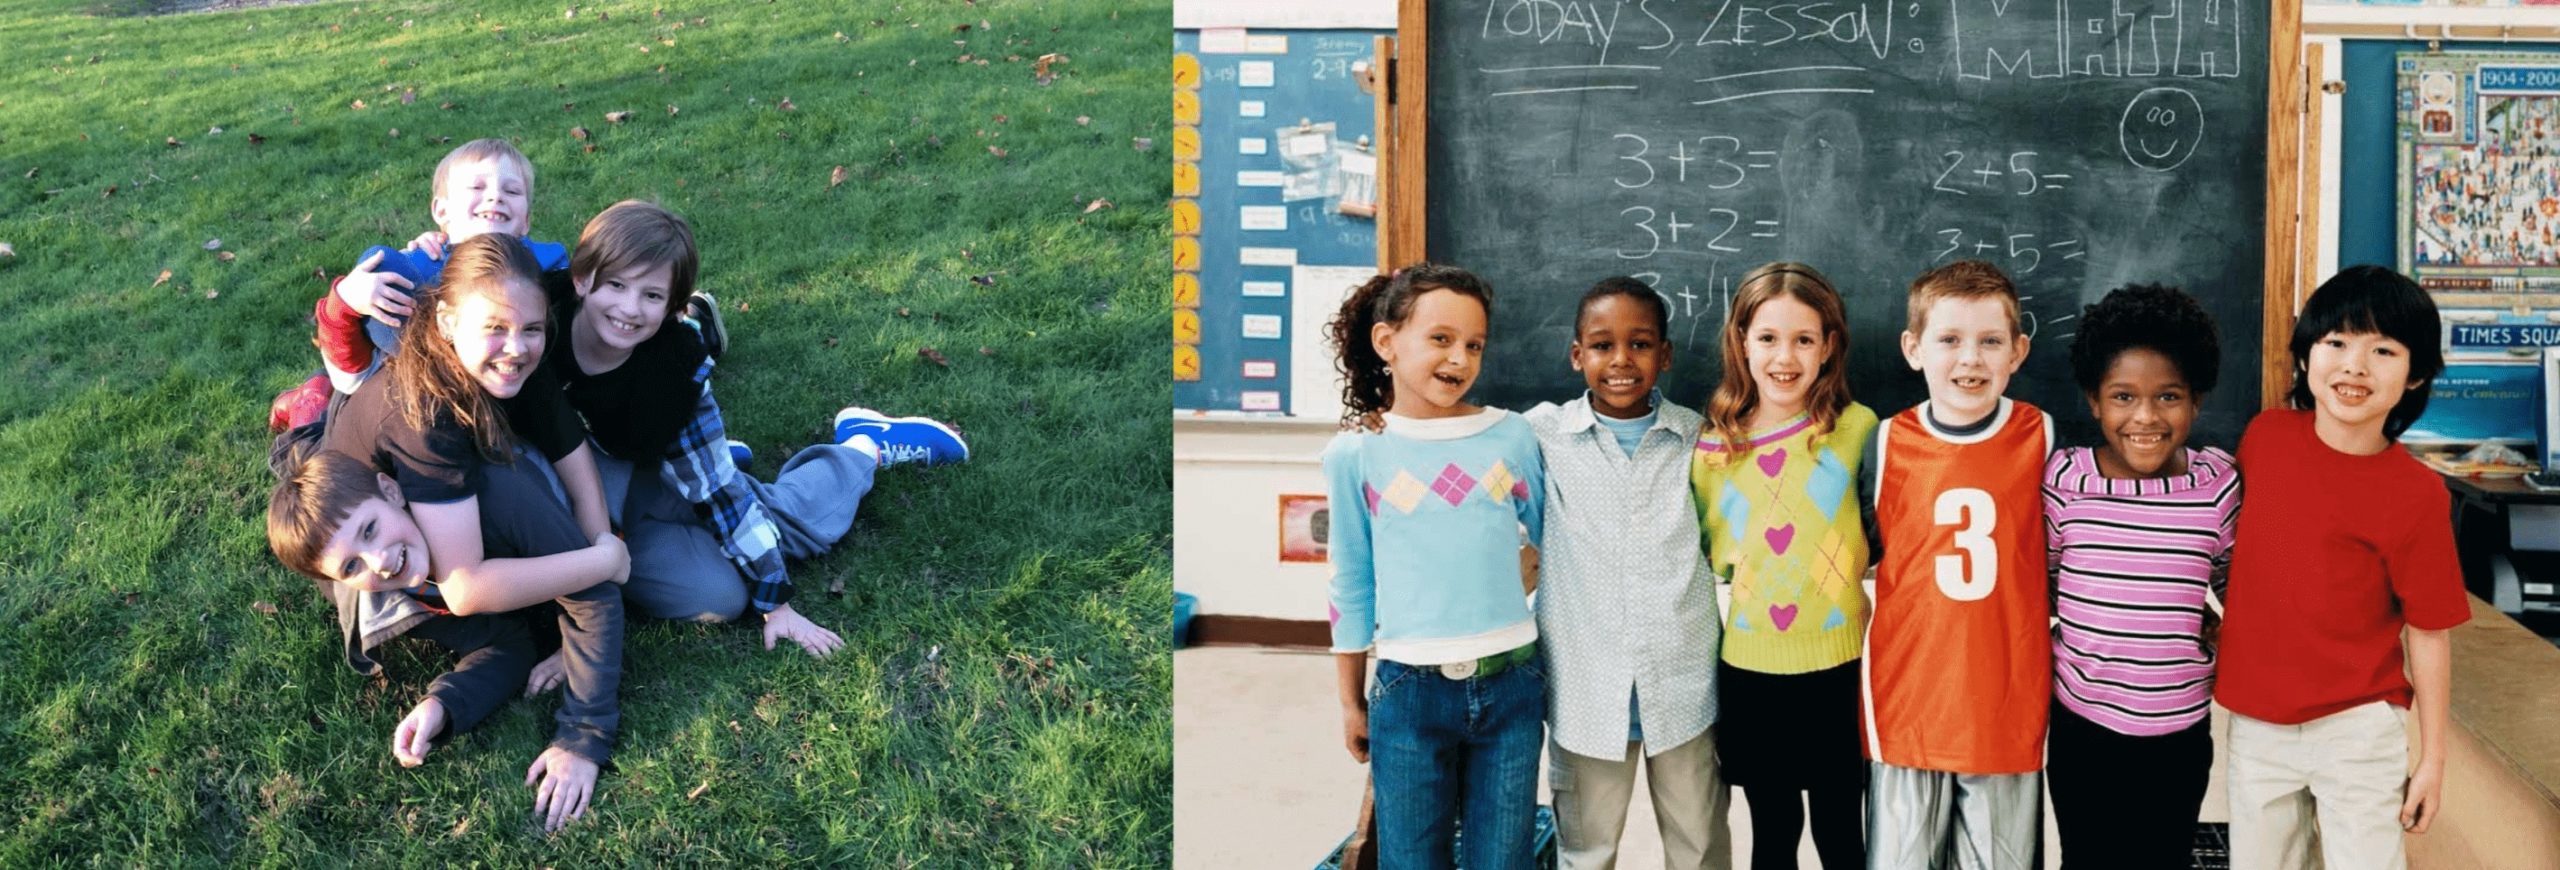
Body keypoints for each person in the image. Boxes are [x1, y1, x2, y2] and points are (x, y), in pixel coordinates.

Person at [540, 200, 968, 654]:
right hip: (599, 487)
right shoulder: (532, 322)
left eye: (651, 295)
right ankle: (706, 466)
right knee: (713, 583)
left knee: (747, 566)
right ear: (582, 279)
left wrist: (775, 602)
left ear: (672, 308)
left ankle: (863, 449)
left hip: (648, 475)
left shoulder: (673, 375)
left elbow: (722, 495)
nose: (629, 307)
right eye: (616, 284)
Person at [317, 233, 629, 833]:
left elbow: (572, 455)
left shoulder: (519, 357)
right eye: (496, 329)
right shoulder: (424, 415)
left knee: (530, 600)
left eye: (533, 329)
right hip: (371, 557)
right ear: (447, 320)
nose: (516, 348)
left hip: (400, 533)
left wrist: (600, 538)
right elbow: (465, 590)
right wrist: (601, 567)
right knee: (508, 497)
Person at [2215, 265, 2470, 870]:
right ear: (2305, 358)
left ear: (2417, 375)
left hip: (2357, 728)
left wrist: (2432, 759)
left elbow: (2430, 632)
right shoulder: (2266, 438)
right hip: (2257, 722)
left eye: (2383, 349)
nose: (2355, 365)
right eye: (2336, 343)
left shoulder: (2416, 493)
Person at [266, 448, 617, 833]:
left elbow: (595, 592)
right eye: (352, 566)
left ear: (391, 491)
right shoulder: (400, 591)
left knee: (673, 589)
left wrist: (583, 735)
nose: (379, 562)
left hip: (607, 504)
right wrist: (443, 703)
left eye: (369, 529)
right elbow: (506, 644)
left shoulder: (497, 498)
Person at [1323, 264, 1547, 870]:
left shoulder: (1511, 437)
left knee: (1502, 861)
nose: (1460, 358)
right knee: (1411, 861)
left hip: (1513, 686)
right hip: (1409, 691)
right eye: (1441, 339)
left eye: (1474, 344)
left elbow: (1556, 539)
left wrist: (1518, 574)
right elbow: (1350, 580)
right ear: (1386, 342)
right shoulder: (1356, 453)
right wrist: (1350, 701)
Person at [1525, 276, 1729, 869]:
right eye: (1601, 345)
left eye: (1640, 344)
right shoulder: (1541, 436)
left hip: (1684, 682)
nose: (1620, 361)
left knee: (1699, 847)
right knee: (1586, 851)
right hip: (1585, 687)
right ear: (1576, 355)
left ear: (1665, 355)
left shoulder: (1698, 438)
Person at [2042, 284, 2237, 869]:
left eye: (2168, 397)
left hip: (2178, 731)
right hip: (2083, 726)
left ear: (2197, 401)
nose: (2146, 417)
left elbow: (2236, 582)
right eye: (2123, 396)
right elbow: (2044, 581)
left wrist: (2226, 627)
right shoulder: (2066, 480)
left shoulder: (2218, 486)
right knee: (2087, 858)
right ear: (2094, 401)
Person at [1866, 260, 2052, 868]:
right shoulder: (1885, 439)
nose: (1970, 359)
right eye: (1949, 340)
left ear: (2018, 352)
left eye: (1990, 341)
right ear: (1913, 348)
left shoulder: (2041, 436)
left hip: (2004, 701)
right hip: (1908, 698)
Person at [1691, 263, 1875, 869]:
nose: (1785, 357)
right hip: (1752, 673)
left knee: (1842, 834)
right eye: (1768, 338)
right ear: (1742, 340)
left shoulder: (1856, 431)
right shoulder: (1712, 450)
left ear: (1828, 346)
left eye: (1803, 339)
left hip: (1841, 670)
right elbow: (1712, 555)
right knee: (1772, 837)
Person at [270, 139, 578, 431]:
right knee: (381, 264)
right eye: (477, 187)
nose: (495, 196)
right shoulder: (420, 267)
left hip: (501, 386)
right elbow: (354, 376)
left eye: (512, 191)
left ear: (526, 221)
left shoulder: (545, 262)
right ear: (442, 212)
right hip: (400, 394)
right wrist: (345, 301)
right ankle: (309, 402)